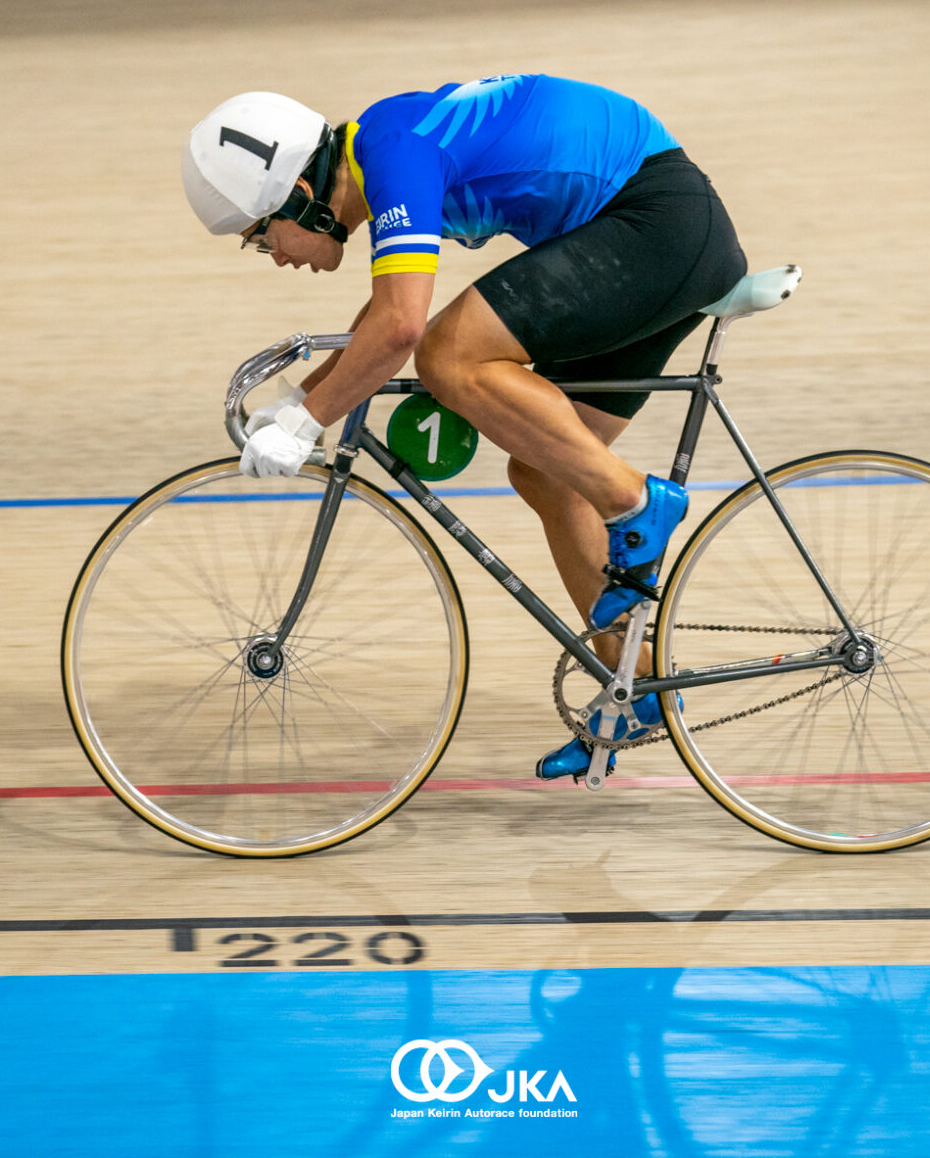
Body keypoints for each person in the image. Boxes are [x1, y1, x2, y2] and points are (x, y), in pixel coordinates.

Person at [181, 75, 746, 780]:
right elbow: (384, 312)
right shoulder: (381, 152)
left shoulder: (393, 150)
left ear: (298, 196)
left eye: (260, 238)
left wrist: (306, 420)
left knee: (448, 355)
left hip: (653, 222)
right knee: (547, 469)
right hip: (655, 227)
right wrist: (299, 401)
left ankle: (635, 502)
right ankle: (639, 685)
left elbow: (403, 329)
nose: (276, 256)